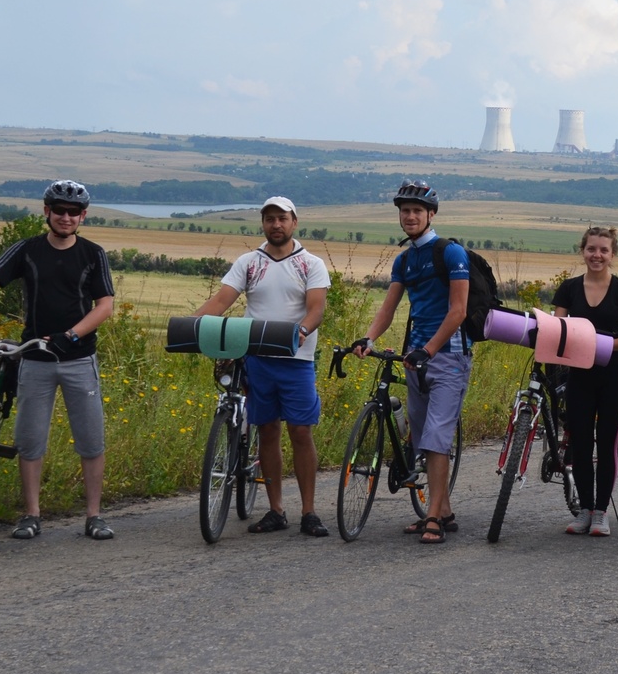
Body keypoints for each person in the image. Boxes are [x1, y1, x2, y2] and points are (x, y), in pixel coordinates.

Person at [0, 180, 117, 541]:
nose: (66, 217)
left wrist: (72, 336)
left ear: (83, 216)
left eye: (73, 212)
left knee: (90, 439)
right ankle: (31, 515)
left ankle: (94, 515)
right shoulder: (27, 249)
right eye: (59, 210)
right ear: (46, 211)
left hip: (78, 359)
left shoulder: (92, 254)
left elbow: (105, 306)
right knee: (30, 440)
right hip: (34, 358)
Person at [194, 196, 331, 538]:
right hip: (257, 358)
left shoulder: (310, 263)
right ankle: (276, 509)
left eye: (282, 218)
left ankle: (310, 511)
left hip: (295, 360)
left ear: (294, 222)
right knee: (267, 431)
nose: (276, 225)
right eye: (269, 219)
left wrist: (300, 331)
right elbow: (223, 298)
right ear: (263, 223)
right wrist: (192, 324)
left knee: (301, 432)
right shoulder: (250, 262)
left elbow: (315, 308)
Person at [358, 179, 471, 544]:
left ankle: (433, 517)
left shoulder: (450, 253)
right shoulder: (405, 259)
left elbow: (458, 311)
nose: (409, 216)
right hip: (416, 358)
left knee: (437, 438)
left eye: (416, 211)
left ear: (431, 215)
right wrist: (369, 338)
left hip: (449, 355)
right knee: (423, 438)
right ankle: (446, 511)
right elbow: (389, 308)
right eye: (404, 211)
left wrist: (430, 349)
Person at [551, 226, 618, 537]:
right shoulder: (569, 288)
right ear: (583, 251)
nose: (597, 255)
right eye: (592, 249)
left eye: (604, 250)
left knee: (606, 445)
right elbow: (557, 329)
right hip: (578, 377)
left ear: (613, 254)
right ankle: (584, 511)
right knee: (579, 443)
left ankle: (601, 512)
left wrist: (596, 344)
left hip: (615, 377)